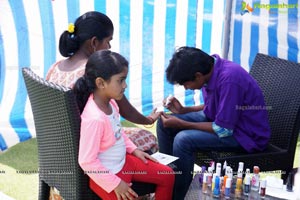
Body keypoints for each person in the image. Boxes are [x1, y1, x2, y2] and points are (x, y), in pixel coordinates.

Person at [46, 11, 159, 199]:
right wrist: (147, 120)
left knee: (119, 136)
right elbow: (126, 111)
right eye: (108, 41)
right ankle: (132, 191)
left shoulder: (56, 66)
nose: (109, 47)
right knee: (147, 138)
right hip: (86, 154)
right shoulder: (95, 72)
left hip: (58, 151)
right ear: (94, 42)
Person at [157, 46, 271, 199]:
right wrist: (184, 110)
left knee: (183, 139)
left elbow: (223, 129)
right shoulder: (210, 70)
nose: (186, 88)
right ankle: (168, 179)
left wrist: (183, 124)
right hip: (226, 122)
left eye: (185, 83)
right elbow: (216, 106)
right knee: (163, 122)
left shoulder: (230, 80)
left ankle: (179, 195)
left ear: (198, 76)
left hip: (245, 135)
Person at [73, 50, 175, 200]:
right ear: (101, 83)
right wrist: (116, 184)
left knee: (167, 175)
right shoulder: (94, 119)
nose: (125, 85)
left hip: (124, 162)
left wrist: (134, 150)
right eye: (120, 80)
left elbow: (118, 133)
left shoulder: (111, 103)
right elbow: (87, 161)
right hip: (107, 177)